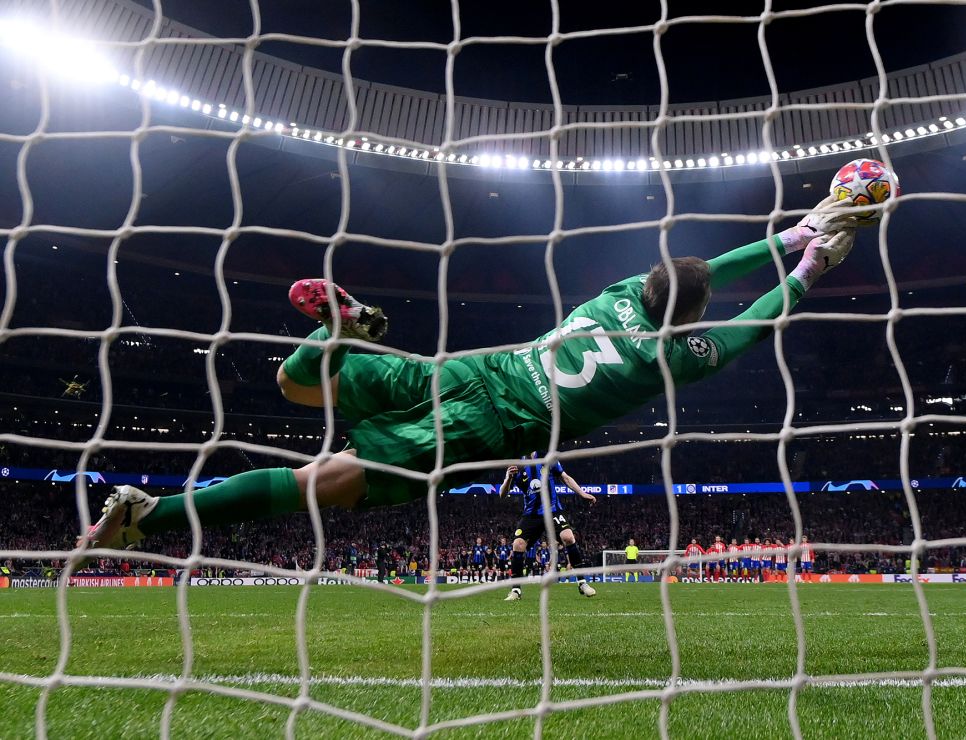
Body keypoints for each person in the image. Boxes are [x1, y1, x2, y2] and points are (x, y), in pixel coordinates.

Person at [81, 198, 861, 563]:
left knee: (300, 388)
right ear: (686, 322)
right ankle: (151, 516)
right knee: (325, 481)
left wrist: (787, 230)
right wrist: (810, 265)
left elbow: (705, 269)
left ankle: (331, 337)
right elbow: (754, 320)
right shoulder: (675, 354)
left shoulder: (622, 291)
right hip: (490, 430)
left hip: (475, 368)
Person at [498, 451, 597, 600]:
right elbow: (502, 494)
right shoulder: (518, 465)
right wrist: (508, 478)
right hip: (532, 515)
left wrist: (582, 493)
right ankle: (515, 590)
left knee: (568, 537)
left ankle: (582, 583)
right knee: (518, 544)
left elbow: (565, 477)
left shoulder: (547, 458)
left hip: (553, 511)